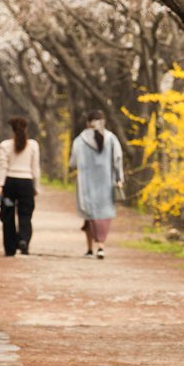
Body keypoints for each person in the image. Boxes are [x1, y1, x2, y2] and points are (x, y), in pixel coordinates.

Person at [69, 109, 123, 259]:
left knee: (89, 215)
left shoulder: (80, 140)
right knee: (104, 215)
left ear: (88, 123)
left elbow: (73, 162)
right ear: (103, 122)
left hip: (86, 183)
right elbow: (117, 160)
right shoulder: (111, 138)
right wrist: (119, 179)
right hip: (106, 182)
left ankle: (89, 249)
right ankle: (101, 246)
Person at [0, 116, 40, 256]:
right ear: (26, 128)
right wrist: (36, 187)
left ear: (12, 129)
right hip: (26, 182)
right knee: (25, 215)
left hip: (10, 183)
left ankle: (10, 248)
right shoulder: (33, 145)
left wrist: (0, 185)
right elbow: (35, 168)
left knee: (8, 216)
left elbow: (3, 166)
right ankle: (24, 240)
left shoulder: (5, 145)